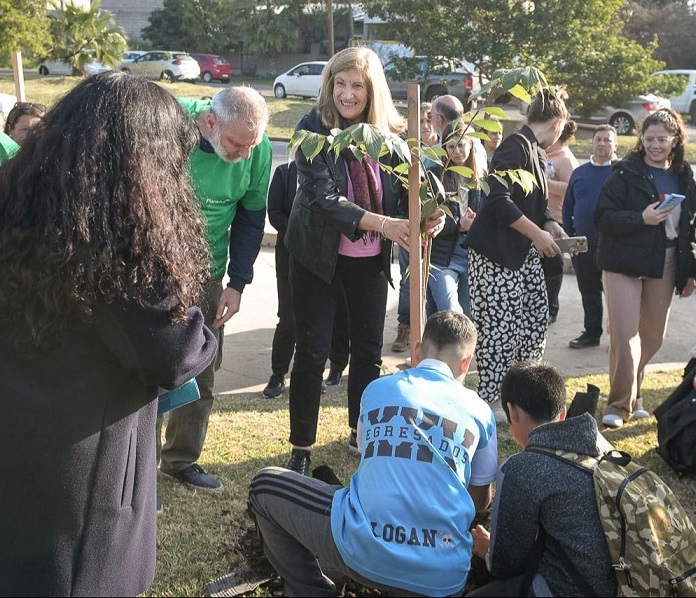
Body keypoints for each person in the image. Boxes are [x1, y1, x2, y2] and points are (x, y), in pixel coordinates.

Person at [0, 71, 217, 596]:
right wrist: (203, 329)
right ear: (146, 162)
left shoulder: (15, 196)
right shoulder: (116, 238)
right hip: (77, 489)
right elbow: (174, 353)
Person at [250, 310, 498, 597]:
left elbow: (371, 457)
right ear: (466, 362)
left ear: (417, 350)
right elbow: (480, 501)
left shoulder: (378, 389)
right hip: (442, 577)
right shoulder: (481, 412)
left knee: (263, 487)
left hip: (362, 553)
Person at [283, 46, 445, 473]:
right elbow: (322, 197)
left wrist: (432, 215)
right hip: (317, 257)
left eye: (357, 85)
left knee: (368, 351)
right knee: (313, 351)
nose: (347, 94)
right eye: (339, 83)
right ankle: (301, 447)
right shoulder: (312, 128)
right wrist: (385, 224)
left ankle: (361, 432)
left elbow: (415, 192)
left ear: (373, 90)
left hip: (369, 259)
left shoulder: (392, 136)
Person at [157, 87, 272, 490]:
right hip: (156, 270)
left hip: (208, 273)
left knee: (202, 369)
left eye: (252, 145)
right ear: (209, 122)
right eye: (237, 144)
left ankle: (180, 459)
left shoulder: (255, 148)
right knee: (152, 370)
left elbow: (251, 218)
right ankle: (140, 467)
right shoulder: (168, 126)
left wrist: (237, 282)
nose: (246, 154)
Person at [469, 363, 616, 597]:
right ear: (563, 414)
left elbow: (505, 565)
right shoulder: (604, 450)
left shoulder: (521, 469)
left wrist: (488, 550)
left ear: (512, 412)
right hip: (622, 584)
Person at [466, 89, 568, 416]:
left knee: (534, 323)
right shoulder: (515, 145)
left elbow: (534, 202)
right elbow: (498, 199)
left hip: (523, 255)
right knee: (499, 330)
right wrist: (536, 233)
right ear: (557, 123)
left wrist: (549, 224)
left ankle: (523, 394)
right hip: (496, 254)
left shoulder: (537, 150)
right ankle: (491, 399)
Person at [594, 107, 696, 428]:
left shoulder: (684, 174)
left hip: (665, 259)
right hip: (622, 260)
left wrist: (690, 271)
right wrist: (641, 218)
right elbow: (602, 217)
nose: (655, 145)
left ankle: (635, 392)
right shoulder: (625, 171)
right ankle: (618, 405)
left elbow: (689, 227)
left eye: (662, 139)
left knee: (652, 336)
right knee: (625, 335)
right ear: (641, 139)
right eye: (649, 138)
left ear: (675, 140)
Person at [562, 125, 619, 349]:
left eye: (607, 140)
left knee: (617, 295)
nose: (602, 144)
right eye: (598, 139)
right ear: (592, 143)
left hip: (614, 247)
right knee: (589, 291)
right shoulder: (580, 172)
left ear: (615, 145)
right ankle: (591, 333)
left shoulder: (621, 173)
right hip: (583, 245)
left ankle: (620, 337)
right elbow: (568, 208)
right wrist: (570, 241)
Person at [392, 101, 440, 353]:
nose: (425, 125)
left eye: (429, 120)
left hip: (436, 225)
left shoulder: (444, 149)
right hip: (409, 221)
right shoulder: (405, 150)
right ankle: (405, 326)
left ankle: (430, 334)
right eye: (420, 121)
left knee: (433, 280)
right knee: (408, 277)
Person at [426, 122, 483, 318]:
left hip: (471, 253)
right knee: (451, 312)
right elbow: (430, 216)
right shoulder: (435, 175)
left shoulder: (481, 177)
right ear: (444, 148)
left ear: (470, 145)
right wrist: (460, 225)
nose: (457, 151)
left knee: (467, 315)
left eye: (461, 145)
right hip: (442, 255)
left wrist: (474, 224)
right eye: (451, 146)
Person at [543, 120, 579, 324]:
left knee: (553, 266)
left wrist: (546, 184)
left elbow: (572, 189)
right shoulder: (546, 153)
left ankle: (551, 309)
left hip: (557, 220)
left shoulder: (565, 158)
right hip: (542, 219)